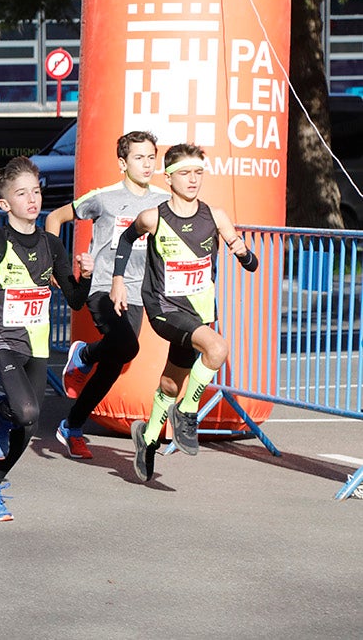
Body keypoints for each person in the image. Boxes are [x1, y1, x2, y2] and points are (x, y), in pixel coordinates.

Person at [0, 158, 93, 521]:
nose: (32, 200)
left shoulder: (52, 244)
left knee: (29, 421)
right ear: (5, 204)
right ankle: (2, 408)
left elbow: (74, 300)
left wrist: (84, 276)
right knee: (25, 411)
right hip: (2, 339)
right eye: (22, 193)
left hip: (37, 342)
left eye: (36, 192)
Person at [111, 143, 259, 482]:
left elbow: (251, 264)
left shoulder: (215, 216)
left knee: (170, 382)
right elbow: (124, 240)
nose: (193, 180)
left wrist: (241, 250)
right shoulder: (154, 217)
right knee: (217, 349)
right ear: (169, 177)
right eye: (185, 173)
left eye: (198, 173)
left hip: (199, 311)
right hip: (164, 307)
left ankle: (147, 438)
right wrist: (118, 280)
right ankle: (188, 413)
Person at [44, 131, 168, 459]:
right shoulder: (105, 197)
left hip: (139, 294)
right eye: (138, 158)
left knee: (115, 363)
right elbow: (56, 217)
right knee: (127, 345)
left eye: (150, 158)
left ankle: (71, 426)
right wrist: (55, 264)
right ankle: (83, 356)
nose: (146, 164)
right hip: (102, 288)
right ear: (122, 163)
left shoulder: (162, 200)